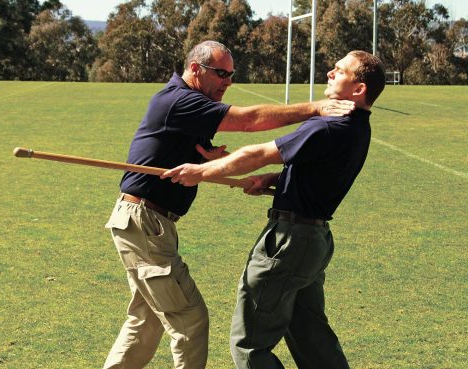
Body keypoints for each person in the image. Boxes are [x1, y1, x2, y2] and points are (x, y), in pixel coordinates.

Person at [103, 40, 355, 369]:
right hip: (144, 223)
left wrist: (211, 163)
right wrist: (315, 108)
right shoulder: (181, 100)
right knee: (190, 321)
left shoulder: (185, 102)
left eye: (232, 74)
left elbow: (188, 161)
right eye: (222, 73)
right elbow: (248, 120)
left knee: (145, 320)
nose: (228, 81)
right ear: (195, 69)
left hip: (145, 224)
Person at [162, 50, 386, 369]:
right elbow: (321, 170)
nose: (329, 73)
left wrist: (201, 172)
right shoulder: (358, 128)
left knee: (249, 344)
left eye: (339, 71)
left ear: (358, 89)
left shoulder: (329, 127)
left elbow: (259, 152)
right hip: (314, 242)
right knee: (312, 337)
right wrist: (278, 181)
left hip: (290, 241)